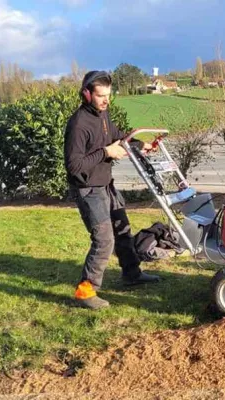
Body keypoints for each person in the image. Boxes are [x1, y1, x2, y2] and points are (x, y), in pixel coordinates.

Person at [64, 70, 160, 310]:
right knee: (104, 239)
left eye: (109, 95)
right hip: (88, 188)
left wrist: (141, 145)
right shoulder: (78, 124)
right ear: (86, 94)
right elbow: (74, 165)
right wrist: (106, 153)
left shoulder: (103, 115)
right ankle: (85, 292)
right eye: (100, 96)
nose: (106, 101)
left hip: (106, 183)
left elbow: (119, 138)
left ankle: (131, 274)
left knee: (122, 229)